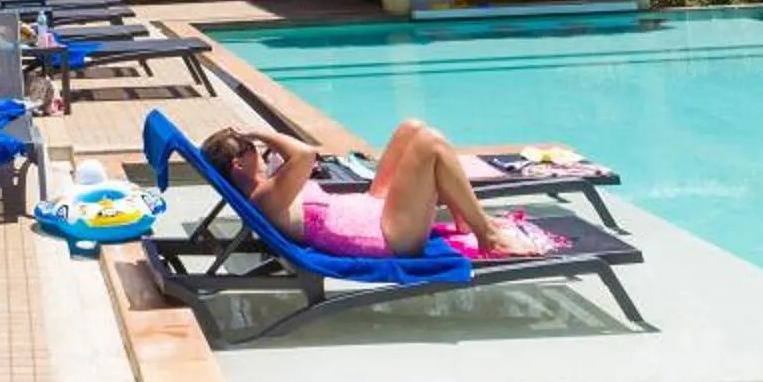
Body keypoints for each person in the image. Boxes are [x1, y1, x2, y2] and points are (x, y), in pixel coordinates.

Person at [199, 120, 561, 260]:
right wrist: (261, 133)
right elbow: (307, 154)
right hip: (385, 236)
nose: (262, 155)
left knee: (411, 129)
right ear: (239, 165)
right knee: (432, 144)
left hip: (369, 212)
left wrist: (255, 143)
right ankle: (488, 235)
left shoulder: (267, 189)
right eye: (253, 152)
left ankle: (467, 219)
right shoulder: (262, 196)